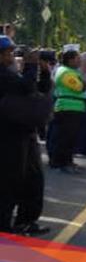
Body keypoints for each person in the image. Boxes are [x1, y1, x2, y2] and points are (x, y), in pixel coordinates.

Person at [0, 36, 53, 236]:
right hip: (7, 138)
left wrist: (44, 74)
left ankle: (27, 221)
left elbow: (37, 91)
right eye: (7, 53)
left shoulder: (12, 73)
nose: (11, 56)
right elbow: (25, 87)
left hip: (25, 133)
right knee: (8, 183)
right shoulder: (4, 76)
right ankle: (4, 227)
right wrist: (31, 66)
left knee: (33, 180)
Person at [50, 49, 86, 174]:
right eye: (78, 59)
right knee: (65, 138)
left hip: (75, 108)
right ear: (70, 59)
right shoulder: (65, 72)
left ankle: (68, 161)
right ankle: (61, 163)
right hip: (67, 108)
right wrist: (83, 83)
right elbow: (79, 87)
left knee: (72, 138)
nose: (80, 61)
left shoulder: (72, 71)